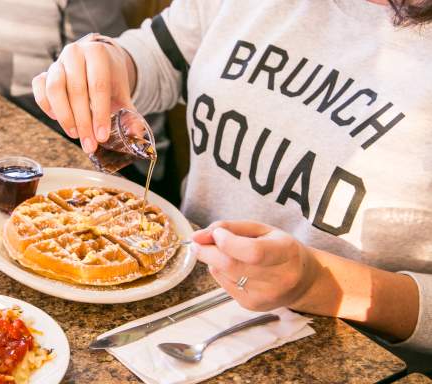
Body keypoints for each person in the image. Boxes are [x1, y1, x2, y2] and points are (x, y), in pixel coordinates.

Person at [32, 0, 432, 371]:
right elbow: (159, 54)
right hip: (173, 304)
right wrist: (109, 62)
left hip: (342, 358)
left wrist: (319, 282)